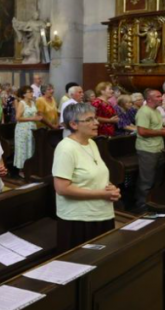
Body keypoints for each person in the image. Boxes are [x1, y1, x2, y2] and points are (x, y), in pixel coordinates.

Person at [53, 103, 120, 252]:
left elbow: (97, 173)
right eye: (89, 120)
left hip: (101, 213)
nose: (96, 123)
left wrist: (111, 188)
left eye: (95, 118)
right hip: (79, 220)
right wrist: (102, 194)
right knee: (81, 261)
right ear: (73, 124)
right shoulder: (66, 149)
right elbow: (62, 188)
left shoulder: (91, 143)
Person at [134, 88, 165, 212]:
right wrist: (161, 132)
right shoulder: (144, 112)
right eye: (158, 96)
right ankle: (142, 207)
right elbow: (142, 131)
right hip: (147, 150)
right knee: (147, 180)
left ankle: (153, 203)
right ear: (149, 99)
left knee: (157, 178)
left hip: (158, 148)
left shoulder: (156, 111)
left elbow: (155, 127)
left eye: (161, 96)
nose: (161, 98)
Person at [13, 85, 42, 175]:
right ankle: (21, 169)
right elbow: (18, 118)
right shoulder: (22, 103)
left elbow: (33, 114)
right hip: (23, 129)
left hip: (32, 128)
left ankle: (30, 167)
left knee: (30, 147)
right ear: (24, 94)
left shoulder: (32, 102)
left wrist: (37, 114)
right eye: (29, 92)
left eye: (32, 92)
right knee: (23, 148)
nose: (31, 94)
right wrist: (32, 118)